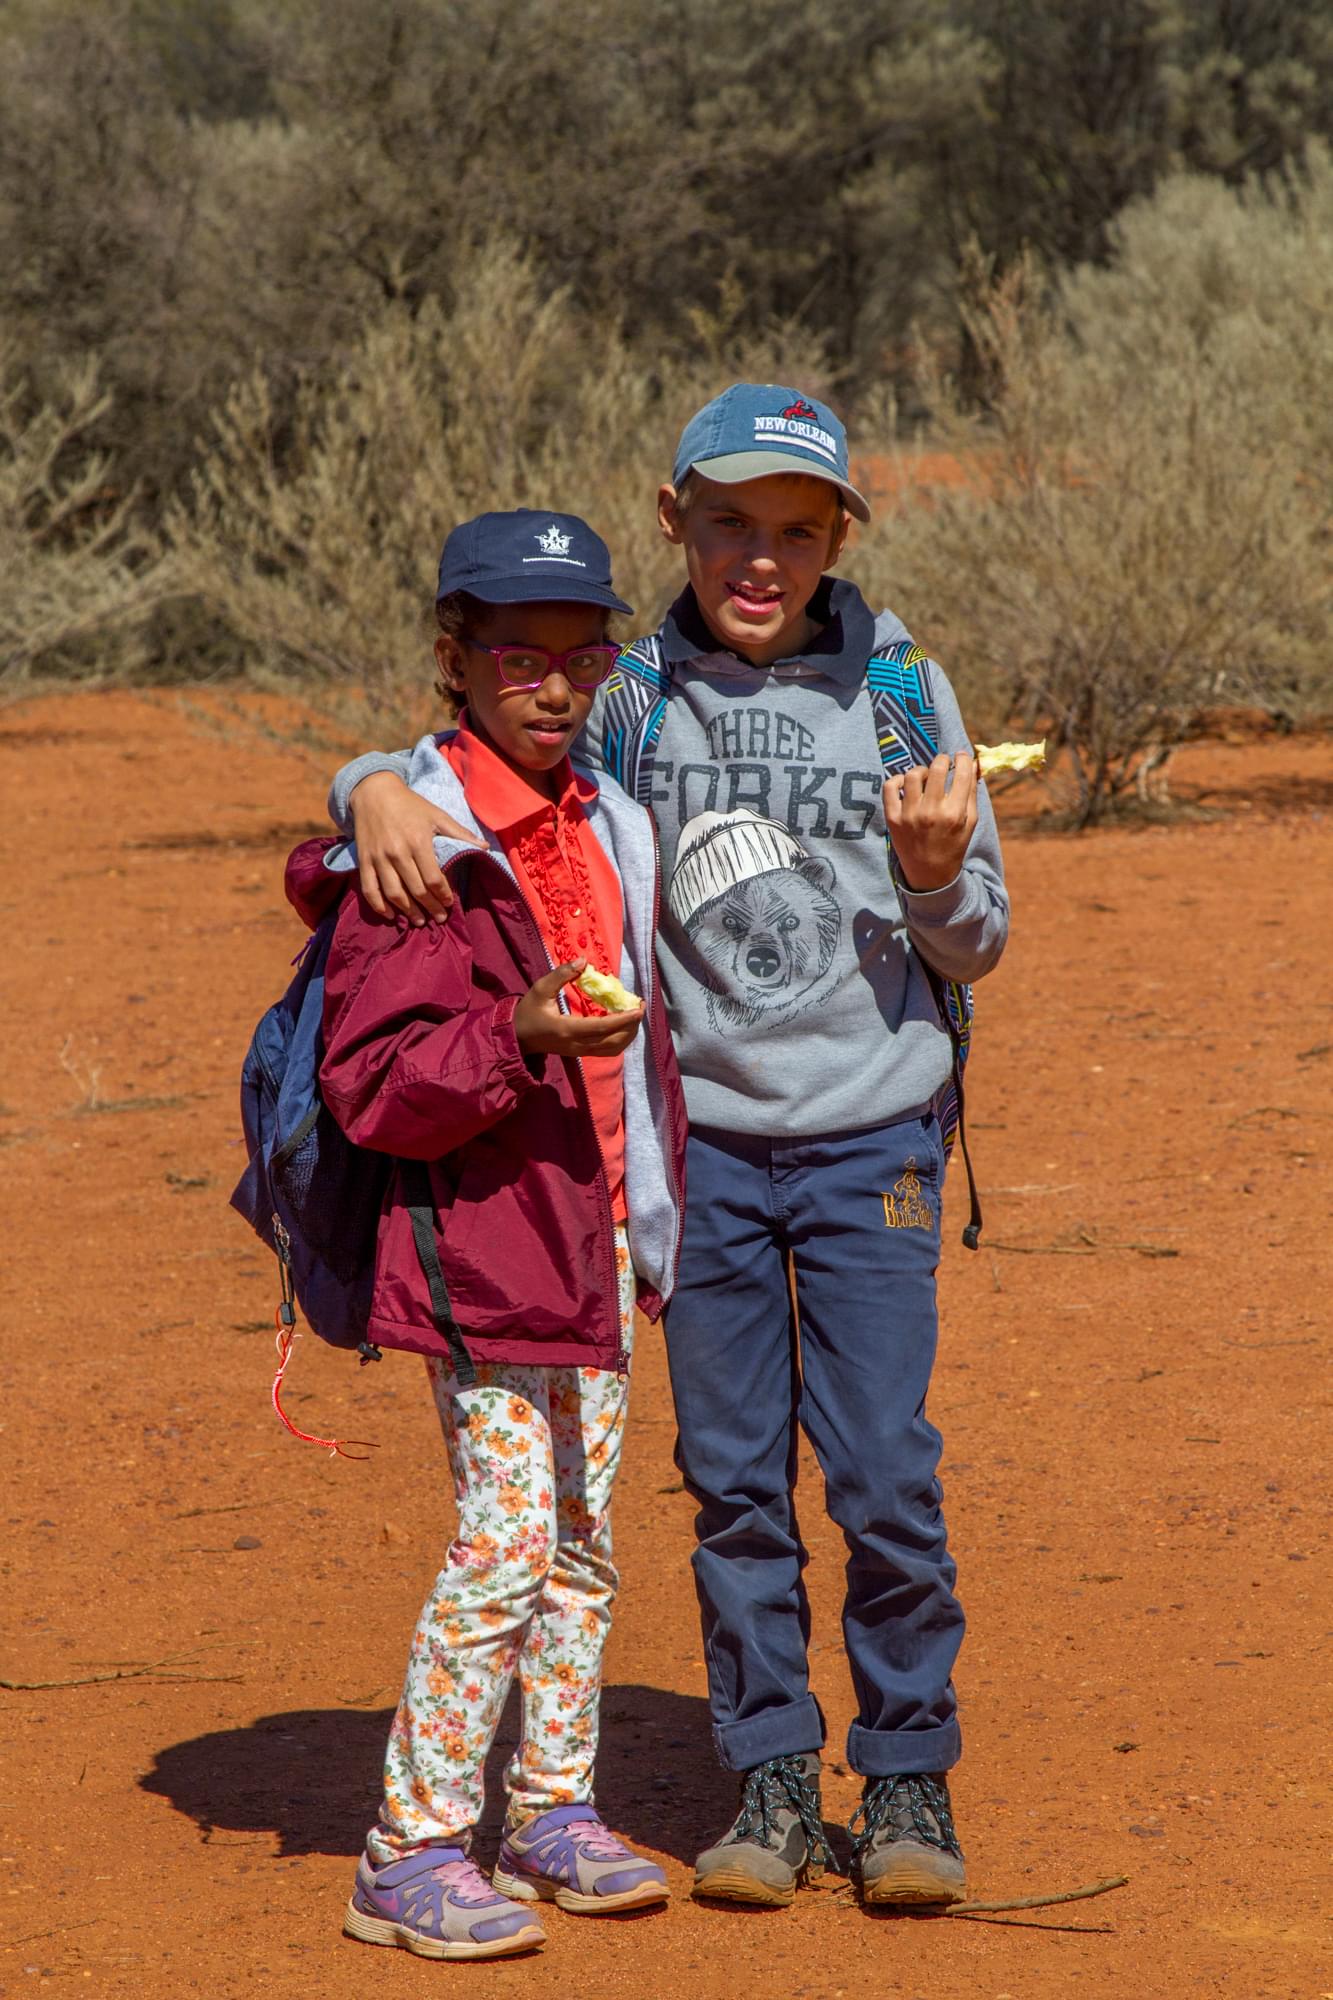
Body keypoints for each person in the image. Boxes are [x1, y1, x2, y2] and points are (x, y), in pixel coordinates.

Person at [324, 387, 1010, 1912]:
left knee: (886, 1471)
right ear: (670, 520)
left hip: (872, 1143)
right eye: (727, 526)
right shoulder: (624, 693)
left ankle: (905, 1774)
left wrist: (936, 877)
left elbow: (976, 944)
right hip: (697, 1167)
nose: (757, 561)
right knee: (731, 1482)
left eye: (794, 531)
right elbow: (466, 779)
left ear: (838, 536)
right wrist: (358, 784)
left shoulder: (902, 689)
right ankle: (766, 1779)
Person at [291, 508, 687, 1961]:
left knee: (587, 1551)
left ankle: (553, 1814)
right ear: (452, 658)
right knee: (506, 1548)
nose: (555, 683)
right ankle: (407, 1852)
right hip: (477, 1246)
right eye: (518, 653)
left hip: (595, 1240)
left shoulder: (608, 821)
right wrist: (517, 1029)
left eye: (583, 654)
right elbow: (375, 1087)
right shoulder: (416, 846)